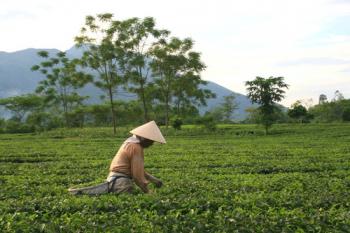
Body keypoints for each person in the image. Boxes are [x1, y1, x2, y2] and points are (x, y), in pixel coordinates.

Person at [68, 121, 166, 195]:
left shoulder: (130, 143)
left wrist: (155, 180)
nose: (151, 144)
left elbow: (139, 171)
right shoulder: (136, 147)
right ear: (145, 138)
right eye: (151, 141)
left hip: (115, 179)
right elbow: (137, 176)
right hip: (121, 183)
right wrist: (148, 192)